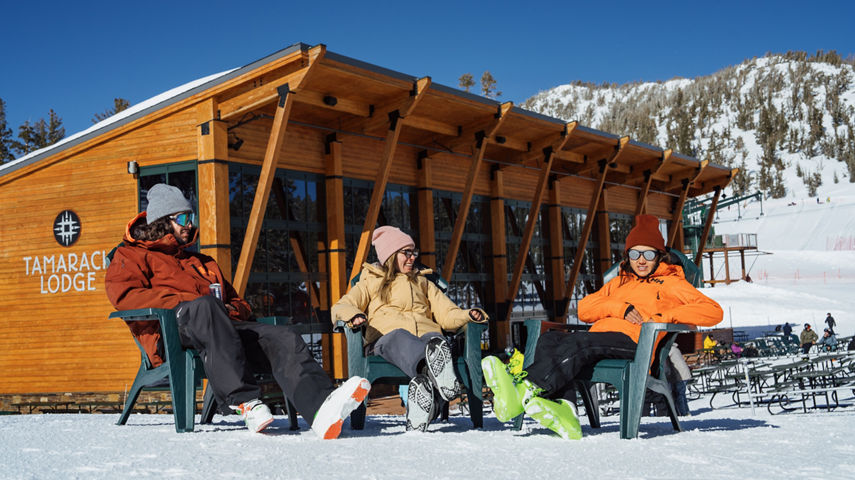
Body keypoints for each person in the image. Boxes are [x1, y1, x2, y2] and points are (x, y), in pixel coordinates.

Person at [105, 183, 370, 436]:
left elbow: (240, 303)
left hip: (223, 328)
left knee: (282, 336)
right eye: (184, 219)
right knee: (205, 307)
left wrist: (231, 308)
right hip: (173, 333)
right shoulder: (131, 255)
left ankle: (321, 408)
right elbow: (125, 296)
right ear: (163, 221)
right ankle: (246, 402)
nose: (191, 225)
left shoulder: (202, 262)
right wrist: (186, 301)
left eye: (192, 218)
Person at [481, 214, 723, 439]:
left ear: (659, 255)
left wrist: (665, 315)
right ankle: (566, 410)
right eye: (635, 254)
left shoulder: (671, 283)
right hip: (599, 341)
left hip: (636, 344)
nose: (641, 261)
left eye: (648, 254)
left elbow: (713, 311)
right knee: (550, 340)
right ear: (627, 255)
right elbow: (585, 308)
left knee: (582, 343)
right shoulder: (617, 283)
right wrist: (620, 309)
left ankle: (524, 388)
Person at [331, 226, 488, 432]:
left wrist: (467, 315)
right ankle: (434, 371)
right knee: (400, 336)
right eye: (406, 253)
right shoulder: (370, 281)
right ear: (390, 255)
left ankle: (424, 402)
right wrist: (355, 315)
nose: (412, 258)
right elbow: (341, 306)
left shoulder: (423, 281)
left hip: (426, 338)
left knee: (434, 338)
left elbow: (447, 313)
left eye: (414, 253)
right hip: (386, 341)